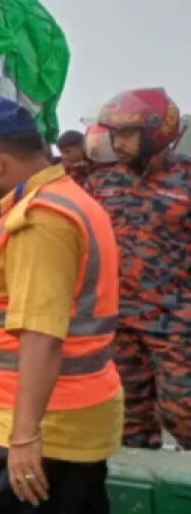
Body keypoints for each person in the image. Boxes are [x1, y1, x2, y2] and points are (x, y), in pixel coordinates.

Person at [0, 96, 122, 514]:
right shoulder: (66, 200)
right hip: (55, 417)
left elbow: (42, 335)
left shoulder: (40, 221)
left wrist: (24, 437)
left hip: (24, 427)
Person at [89, 88, 191, 450]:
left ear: (157, 132)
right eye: (114, 134)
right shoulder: (102, 183)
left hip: (177, 324)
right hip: (119, 322)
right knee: (126, 418)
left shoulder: (185, 179)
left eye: (128, 134)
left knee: (182, 412)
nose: (118, 143)